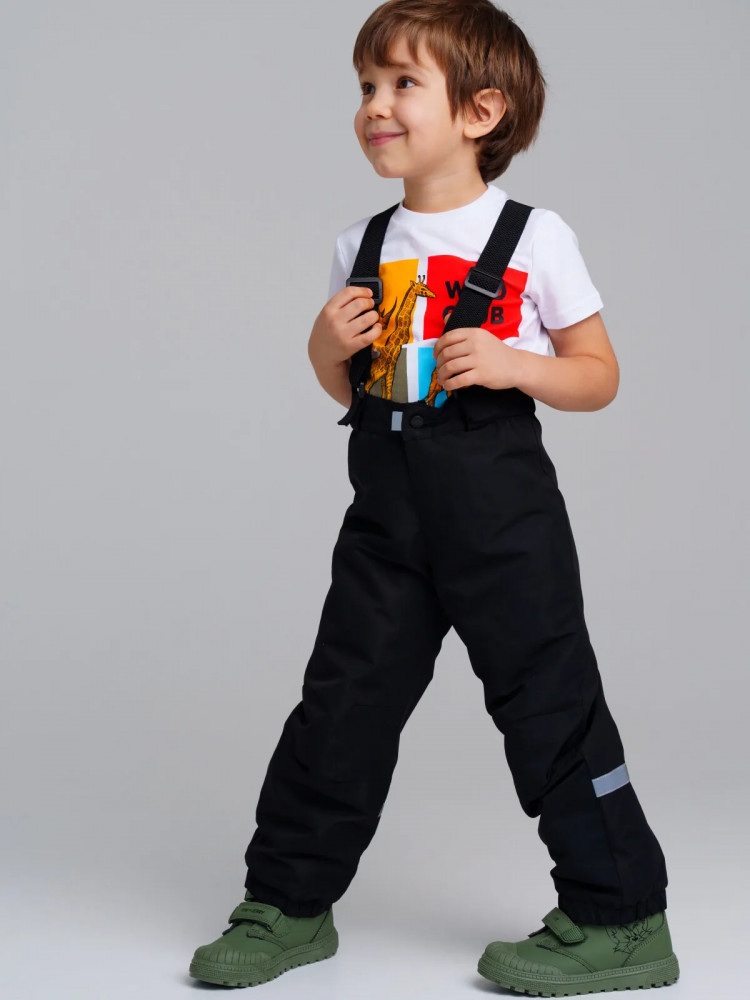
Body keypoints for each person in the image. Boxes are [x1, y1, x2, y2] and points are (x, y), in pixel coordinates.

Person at [189, 1, 679, 993]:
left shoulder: (534, 237)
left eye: (402, 84)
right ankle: (287, 902)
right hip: (388, 518)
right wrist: (323, 348)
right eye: (366, 86)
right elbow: (352, 392)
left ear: (480, 111)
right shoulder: (360, 244)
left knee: (551, 705)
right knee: (342, 704)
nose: (375, 105)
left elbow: (598, 375)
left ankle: (622, 916)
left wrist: (513, 363)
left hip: (502, 517)